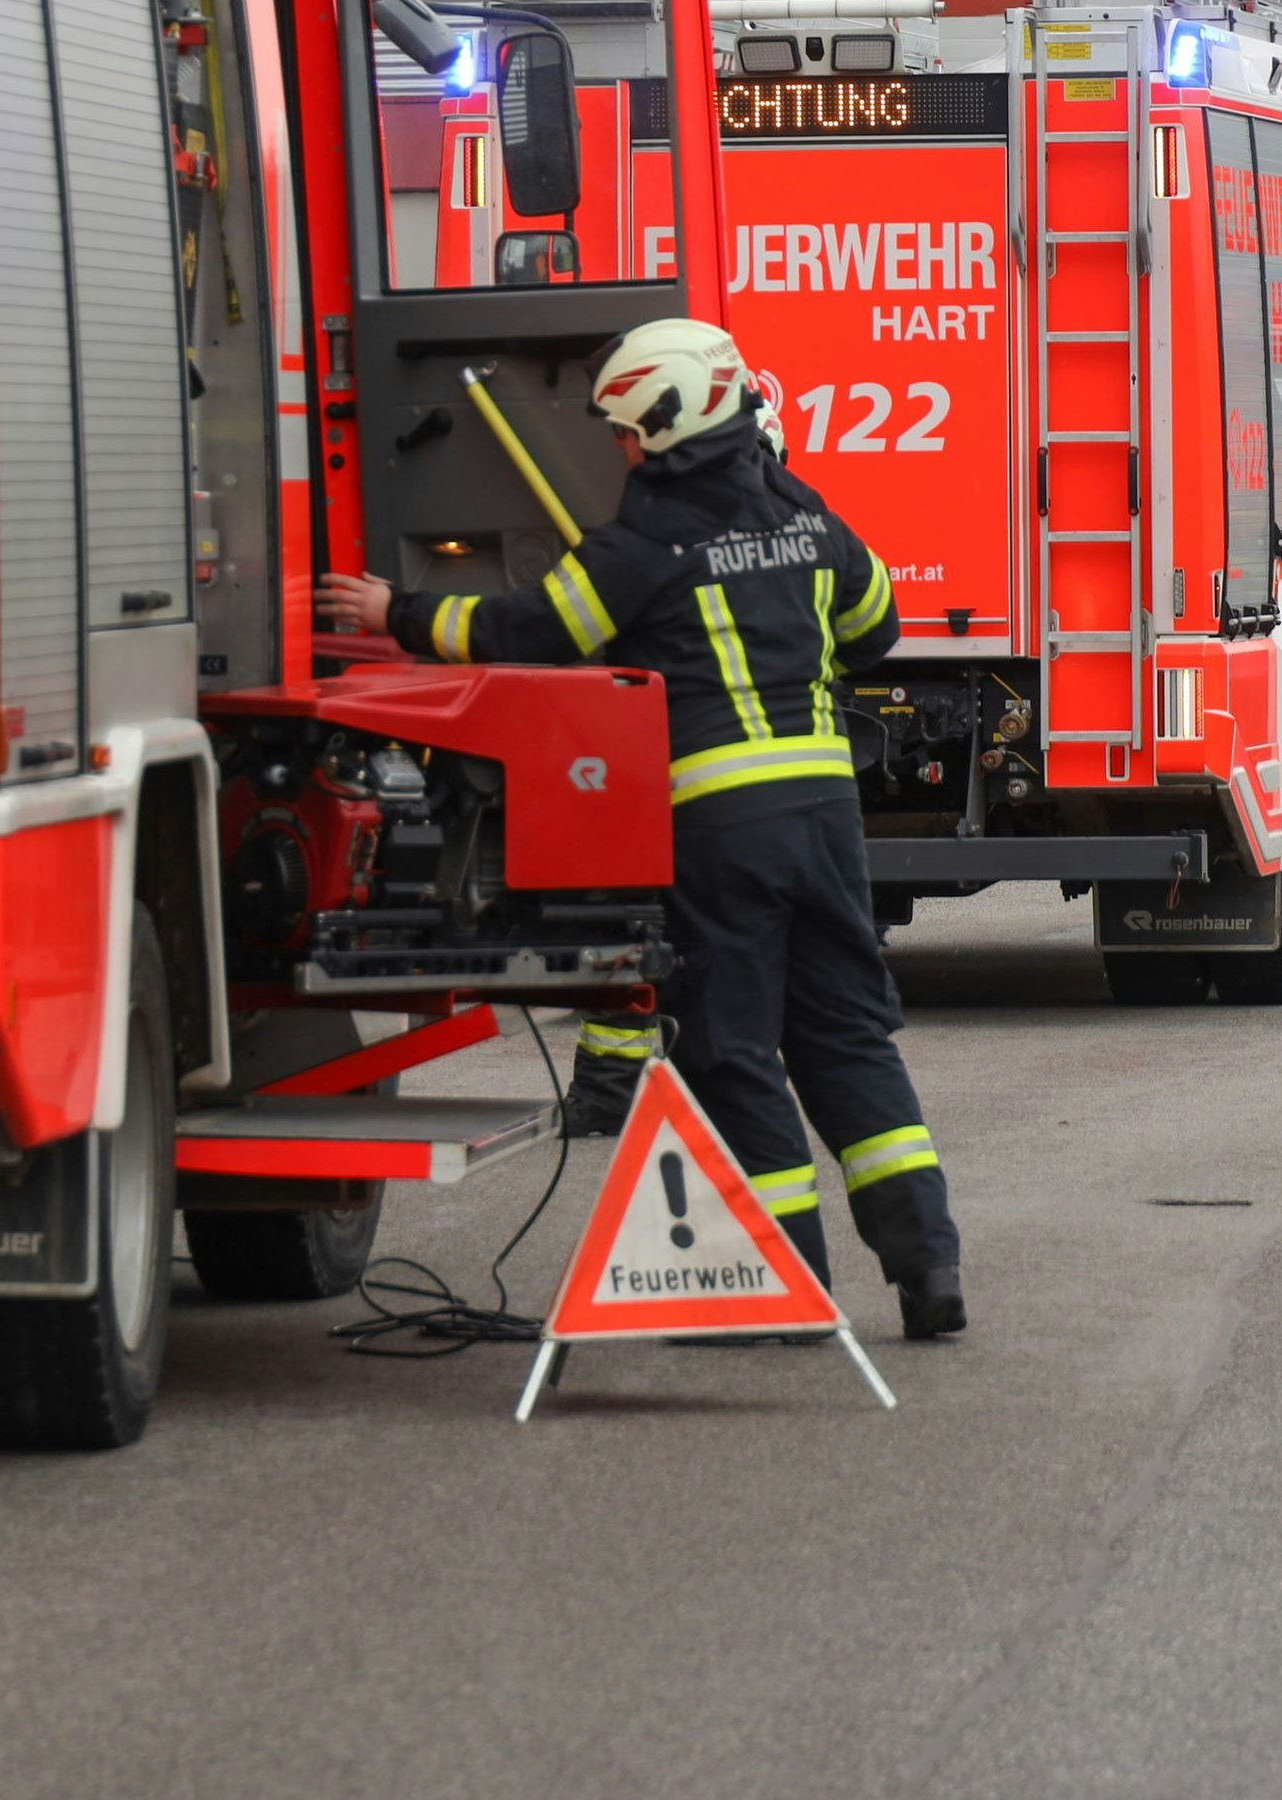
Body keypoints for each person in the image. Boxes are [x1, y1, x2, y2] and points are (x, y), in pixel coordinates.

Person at [317, 320, 964, 1338]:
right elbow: (873, 626)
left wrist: (394, 610)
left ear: (664, 429)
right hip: (828, 821)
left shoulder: (638, 545)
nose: (617, 449)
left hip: (721, 827)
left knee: (733, 1049)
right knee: (847, 1037)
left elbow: (525, 631)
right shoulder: (804, 513)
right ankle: (929, 1272)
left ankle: (784, 1293)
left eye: (624, 433)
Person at [555, 396, 799, 1141]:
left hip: (674, 774)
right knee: (668, 928)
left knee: (656, 924)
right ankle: (639, 1082)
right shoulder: (789, 535)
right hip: (705, 780)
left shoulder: (665, 534)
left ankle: (631, 1086)